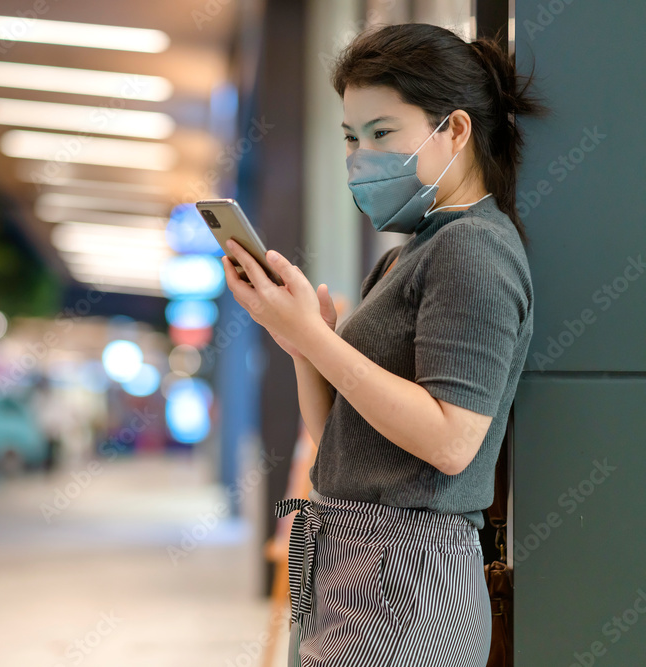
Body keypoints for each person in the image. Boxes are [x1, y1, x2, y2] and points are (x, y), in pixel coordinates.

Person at [220, 23, 546, 666]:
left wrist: (316, 337)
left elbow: (452, 442)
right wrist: (297, 341)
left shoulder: (474, 248)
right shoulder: (407, 255)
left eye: (381, 133)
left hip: (410, 581)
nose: (360, 157)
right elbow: (336, 438)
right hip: (351, 559)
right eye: (350, 137)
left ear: (454, 130)